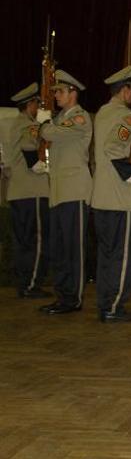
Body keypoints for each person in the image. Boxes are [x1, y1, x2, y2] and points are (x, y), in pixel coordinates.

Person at [91, 66, 131, 323]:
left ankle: (105, 304)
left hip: (100, 197)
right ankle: (115, 306)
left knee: (106, 255)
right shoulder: (126, 116)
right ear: (124, 91)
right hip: (118, 198)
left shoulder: (102, 113)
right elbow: (114, 147)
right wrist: (130, 172)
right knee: (122, 255)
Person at [37, 70, 93, 315]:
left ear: (73, 93)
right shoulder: (60, 118)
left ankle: (73, 298)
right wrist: (47, 123)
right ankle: (62, 295)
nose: (56, 96)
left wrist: (44, 123)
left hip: (75, 191)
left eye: (60, 91)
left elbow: (51, 133)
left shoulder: (80, 117)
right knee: (59, 248)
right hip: (59, 190)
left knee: (73, 248)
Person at [6, 83, 51, 298]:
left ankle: (24, 283)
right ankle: (31, 285)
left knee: (23, 242)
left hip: (17, 192)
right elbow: (29, 148)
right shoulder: (29, 125)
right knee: (37, 240)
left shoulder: (15, 124)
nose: (38, 108)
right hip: (32, 191)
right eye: (36, 104)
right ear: (30, 105)